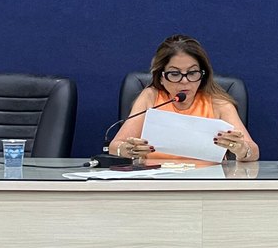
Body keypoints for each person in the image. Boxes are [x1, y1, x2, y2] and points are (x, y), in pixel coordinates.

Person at [110, 34, 259, 164]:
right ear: (161, 77)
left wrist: (241, 149)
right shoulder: (150, 97)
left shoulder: (218, 104)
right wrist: (127, 149)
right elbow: (114, 146)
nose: (185, 81)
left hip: (207, 182)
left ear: (203, 75)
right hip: (157, 181)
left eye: (192, 73)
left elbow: (254, 151)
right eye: (175, 74)